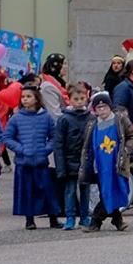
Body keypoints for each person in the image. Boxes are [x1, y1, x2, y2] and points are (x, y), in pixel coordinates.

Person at [1, 85, 61, 230]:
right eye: (23, 97)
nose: (25, 99)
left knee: (47, 190)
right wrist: (21, 149)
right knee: (28, 191)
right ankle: (30, 219)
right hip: (24, 161)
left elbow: (54, 136)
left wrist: (46, 149)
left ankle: (53, 218)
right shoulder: (16, 118)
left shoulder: (45, 117)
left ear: (36, 99)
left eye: (29, 96)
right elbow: (7, 137)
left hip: (41, 160)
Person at [79, 90, 133, 232]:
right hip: (99, 165)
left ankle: (96, 221)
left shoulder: (120, 120)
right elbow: (87, 144)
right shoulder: (92, 124)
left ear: (110, 107)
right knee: (107, 192)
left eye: (104, 107)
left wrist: (126, 150)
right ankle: (116, 221)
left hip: (116, 164)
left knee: (112, 191)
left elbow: (132, 136)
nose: (102, 110)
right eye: (98, 108)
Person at [56, 83, 91, 229]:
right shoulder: (64, 119)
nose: (79, 101)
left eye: (82, 98)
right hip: (69, 159)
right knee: (70, 191)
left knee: (85, 190)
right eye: (76, 99)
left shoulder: (91, 117)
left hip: (86, 160)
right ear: (70, 100)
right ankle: (70, 217)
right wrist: (61, 166)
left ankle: (84, 216)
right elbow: (58, 144)